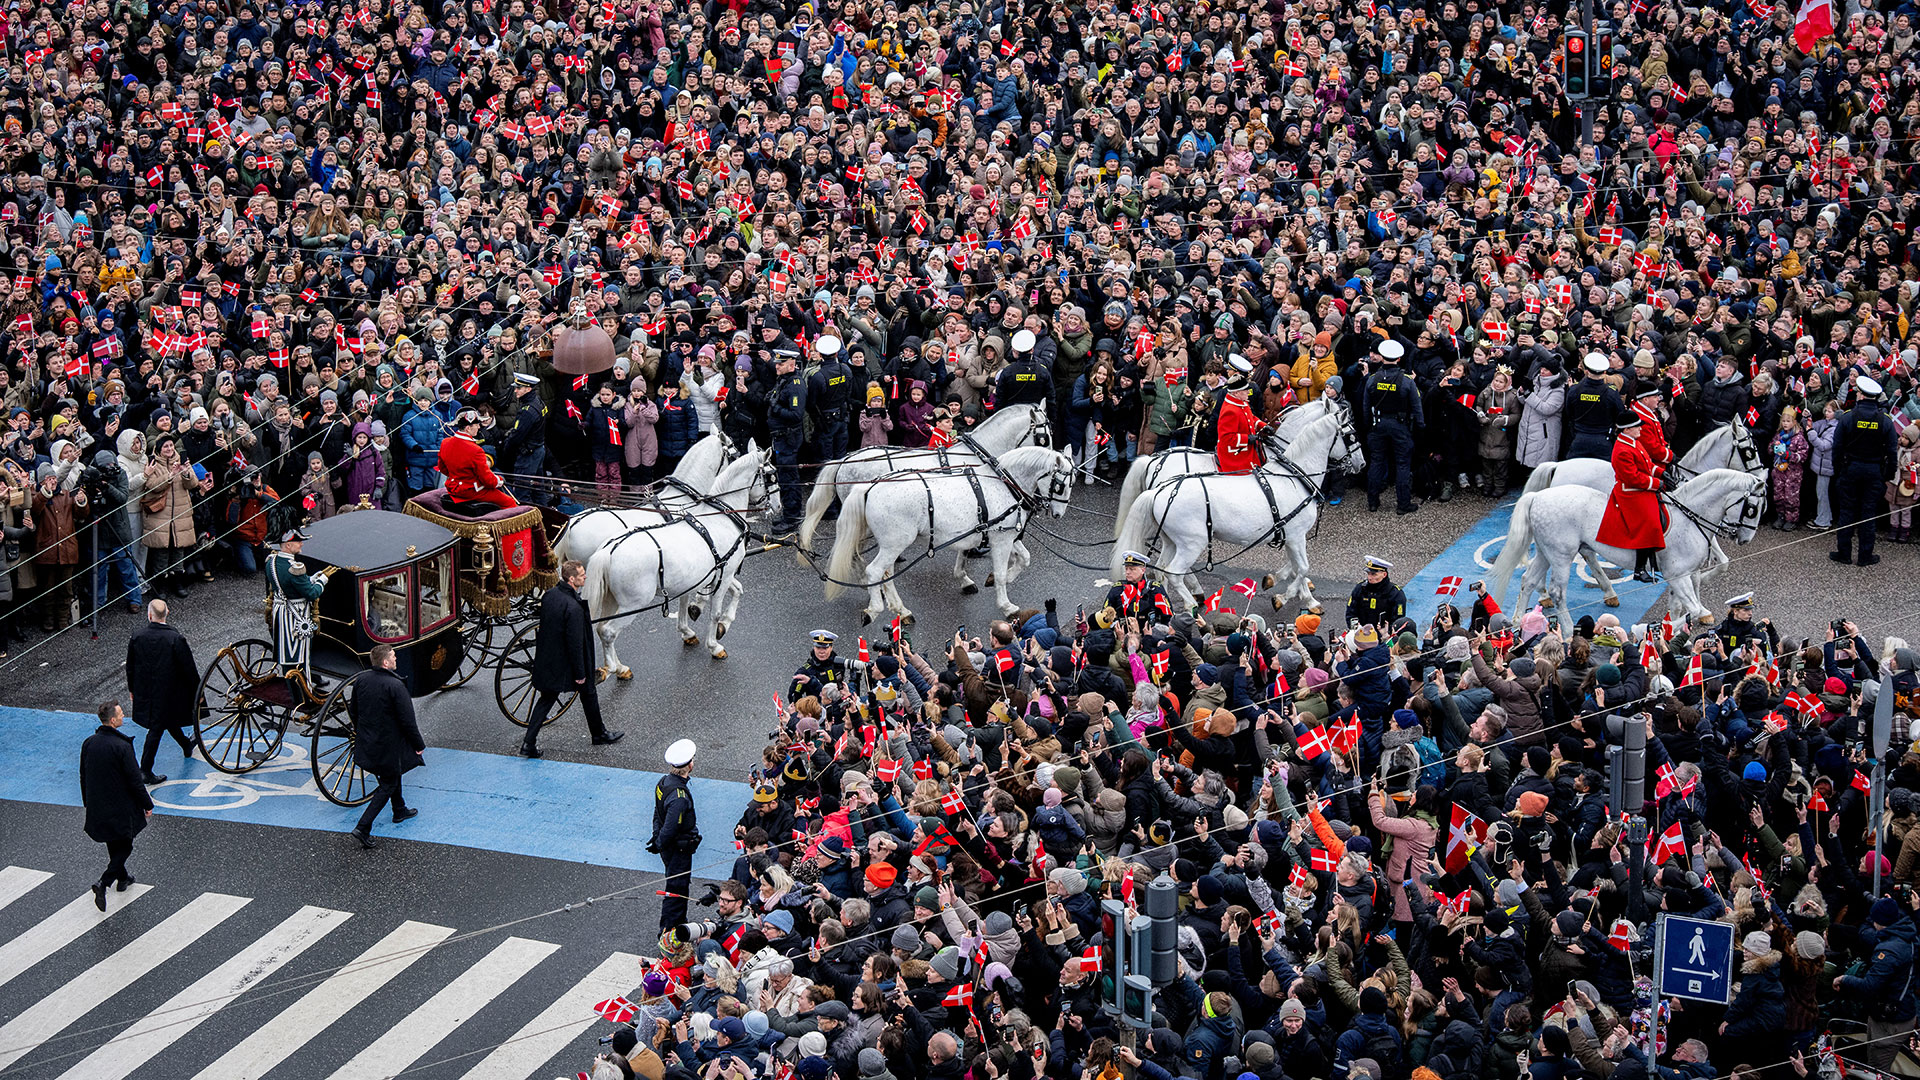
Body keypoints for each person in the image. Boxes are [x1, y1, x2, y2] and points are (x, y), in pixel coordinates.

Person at [521, 558, 622, 757]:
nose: (585, 577)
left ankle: (596, 732)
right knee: (585, 691)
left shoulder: (550, 596)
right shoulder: (573, 608)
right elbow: (575, 644)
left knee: (565, 697)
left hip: (550, 659)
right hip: (570, 664)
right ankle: (598, 734)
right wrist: (580, 674)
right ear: (572, 579)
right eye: (582, 575)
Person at [348, 644, 425, 850]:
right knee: (388, 783)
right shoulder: (396, 686)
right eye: (393, 656)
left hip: (368, 742)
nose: (396, 659)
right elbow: (408, 721)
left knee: (390, 775)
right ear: (385, 662)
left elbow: (354, 710)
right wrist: (418, 745)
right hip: (389, 745)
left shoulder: (361, 680)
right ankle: (363, 827)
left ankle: (399, 809)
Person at [79, 700, 152, 911]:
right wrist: (147, 803)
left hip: (98, 803)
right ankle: (104, 882)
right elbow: (134, 780)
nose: (123, 716)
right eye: (120, 714)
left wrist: (88, 802)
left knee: (113, 841)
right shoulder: (122, 746)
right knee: (126, 844)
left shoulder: (89, 743)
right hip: (121, 805)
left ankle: (123, 878)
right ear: (112, 720)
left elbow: (83, 775)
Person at [124, 598, 198, 785]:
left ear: (149, 615)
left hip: (146, 690)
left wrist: (132, 688)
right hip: (169, 692)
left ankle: (186, 745)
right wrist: (198, 691)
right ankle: (145, 769)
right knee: (157, 728)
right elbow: (188, 668)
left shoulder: (137, 636)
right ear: (167, 613)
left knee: (164, 721)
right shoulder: (175, 638)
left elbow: (130, 666)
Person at [1595, 411, 1670, 582]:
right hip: (1629, 492)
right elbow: (1633, 477)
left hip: (1639, 486)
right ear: (1627, 430)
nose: (1640, 429)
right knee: (1650, 523)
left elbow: (1647, 464)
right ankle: (1639, 569)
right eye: (1637, 427)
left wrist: (1662, 473)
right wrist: (1655, 483)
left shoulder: (1634, 442)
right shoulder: (1622, 450)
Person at [1831, 376, 1898, 567]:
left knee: (1847, 511)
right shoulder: (1885, 421)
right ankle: (1865, 556)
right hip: (1874, 470)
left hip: (1850, 469)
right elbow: (1892, 452)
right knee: (1868, 513)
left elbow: (1837, 448)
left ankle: (1844, 553)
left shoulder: (1848, 417)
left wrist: (1839, 471)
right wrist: (1888, 475)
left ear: (1860, 395)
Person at [267, 528, 331, 692]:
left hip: (280, 612)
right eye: (298, 541)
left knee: (285, 651)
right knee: (300, 654)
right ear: (288, 545)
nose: (301, 544)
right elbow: (311, 593)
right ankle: (303, 690)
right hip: (296, 615)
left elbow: (291, 584)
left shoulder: (272, 561)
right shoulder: (295, 568)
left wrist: (311, 578)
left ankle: (291, 685)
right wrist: (322, 580)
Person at [1362, 340, 1421, 515]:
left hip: (1378, 425)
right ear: (1399, 358)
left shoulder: (1372, 380)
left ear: (1382, 358)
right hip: (1400, 426)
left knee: (1377, 462)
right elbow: (1417, 406)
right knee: (1402, 464)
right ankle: (1403, 504)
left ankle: (1373, 502)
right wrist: (1420, 426)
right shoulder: (1406, 381)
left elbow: (1365, 406)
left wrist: (1368, 426)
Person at [650, 738, 700, 933]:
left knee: (675, 884)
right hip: (678, 848)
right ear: (689, 765)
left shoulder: (663, 783)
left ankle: (675, 922)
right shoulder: (679, 795)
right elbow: (671, 826)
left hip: (668, 846)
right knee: (677, 889)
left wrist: (656, 837)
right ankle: (671, 929)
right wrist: (661, 841)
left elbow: (657, 812)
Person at [437, 408, 518, 509]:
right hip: (471, 491)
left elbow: (443, 468)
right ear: (468, 428)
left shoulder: (445, 443)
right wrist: (499, 480)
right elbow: (487, 480)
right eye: (476, 425)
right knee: (509, 502)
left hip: (453, 488)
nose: (479, 427)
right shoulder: (476, 450)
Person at [767, 348, 807, 534]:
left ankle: (792, 516)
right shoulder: (784, 380)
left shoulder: (795, 385)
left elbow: (796, 414)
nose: (777, 366)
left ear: (791, 364)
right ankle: (789, 513)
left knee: (789, 478)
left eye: (781, 363)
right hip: (781, 437)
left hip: (788, 438)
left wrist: (776, 409)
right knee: (785, 477)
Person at [1563, 353, 1626, 460]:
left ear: (1586, 371)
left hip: (1579, 438)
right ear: (1604, 372)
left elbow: (1569, 413)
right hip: (1603, 440)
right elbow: (1619, 415)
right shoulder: (1611, 392)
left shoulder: (1574, 390)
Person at [1215, 355, 1265, 473]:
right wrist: (1247, 438)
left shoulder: (1241, 402)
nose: (1249, 391)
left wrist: (1263, 426)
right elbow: (1227, 438)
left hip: (1247, 449)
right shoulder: (1230, 411)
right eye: (1245, 390)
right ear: (1237, 393)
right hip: (1235, 454)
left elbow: (1250, 417)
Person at [791, 629, 862, 702]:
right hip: (818, 709)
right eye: (818, 648)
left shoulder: (839, 664)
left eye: (825, 648)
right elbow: (793, 696)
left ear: (831, 647)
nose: (821, 652)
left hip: (838, 707)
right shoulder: (806, 670)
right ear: (814, 648)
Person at [1106, 550, 1172, 623]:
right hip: (1124, 632)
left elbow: (1169, 617)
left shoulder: (1155, 589)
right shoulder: (1117, 588)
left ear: (1143, 570)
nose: (1127, 572)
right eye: (1126, 568)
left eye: (1132, 569)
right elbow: (1105, 615)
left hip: (1150, 632)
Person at [1346, 556, 1405, 628]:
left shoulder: (1395, 594)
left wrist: (1385, 634)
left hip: (1383, 635)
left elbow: (1398, 621)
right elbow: (1351, 613)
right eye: (1368, 573)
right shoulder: (1360, 589)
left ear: (1384, 574)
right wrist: (1357, 630)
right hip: (1361, 634)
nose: (1369, 577)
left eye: (1373, 574)